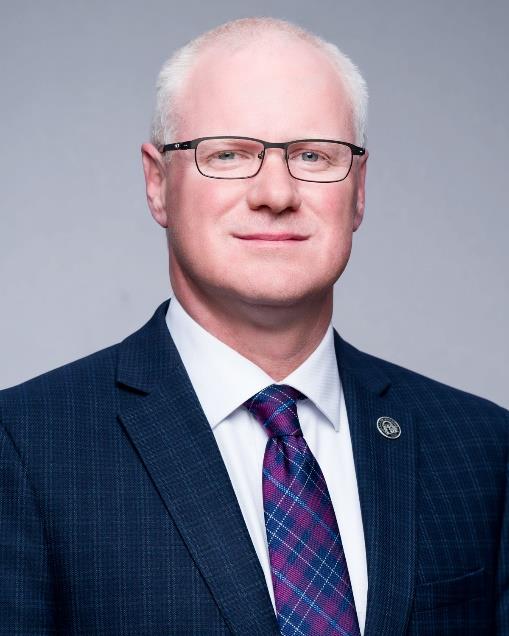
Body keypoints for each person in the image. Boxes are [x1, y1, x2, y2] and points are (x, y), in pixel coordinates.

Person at [0, 17, 507, 636]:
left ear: (360, 189)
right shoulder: (27, 447)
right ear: (158, 184)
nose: (275, 192)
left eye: (314, 155)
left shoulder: (481, 447)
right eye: (230, 154)